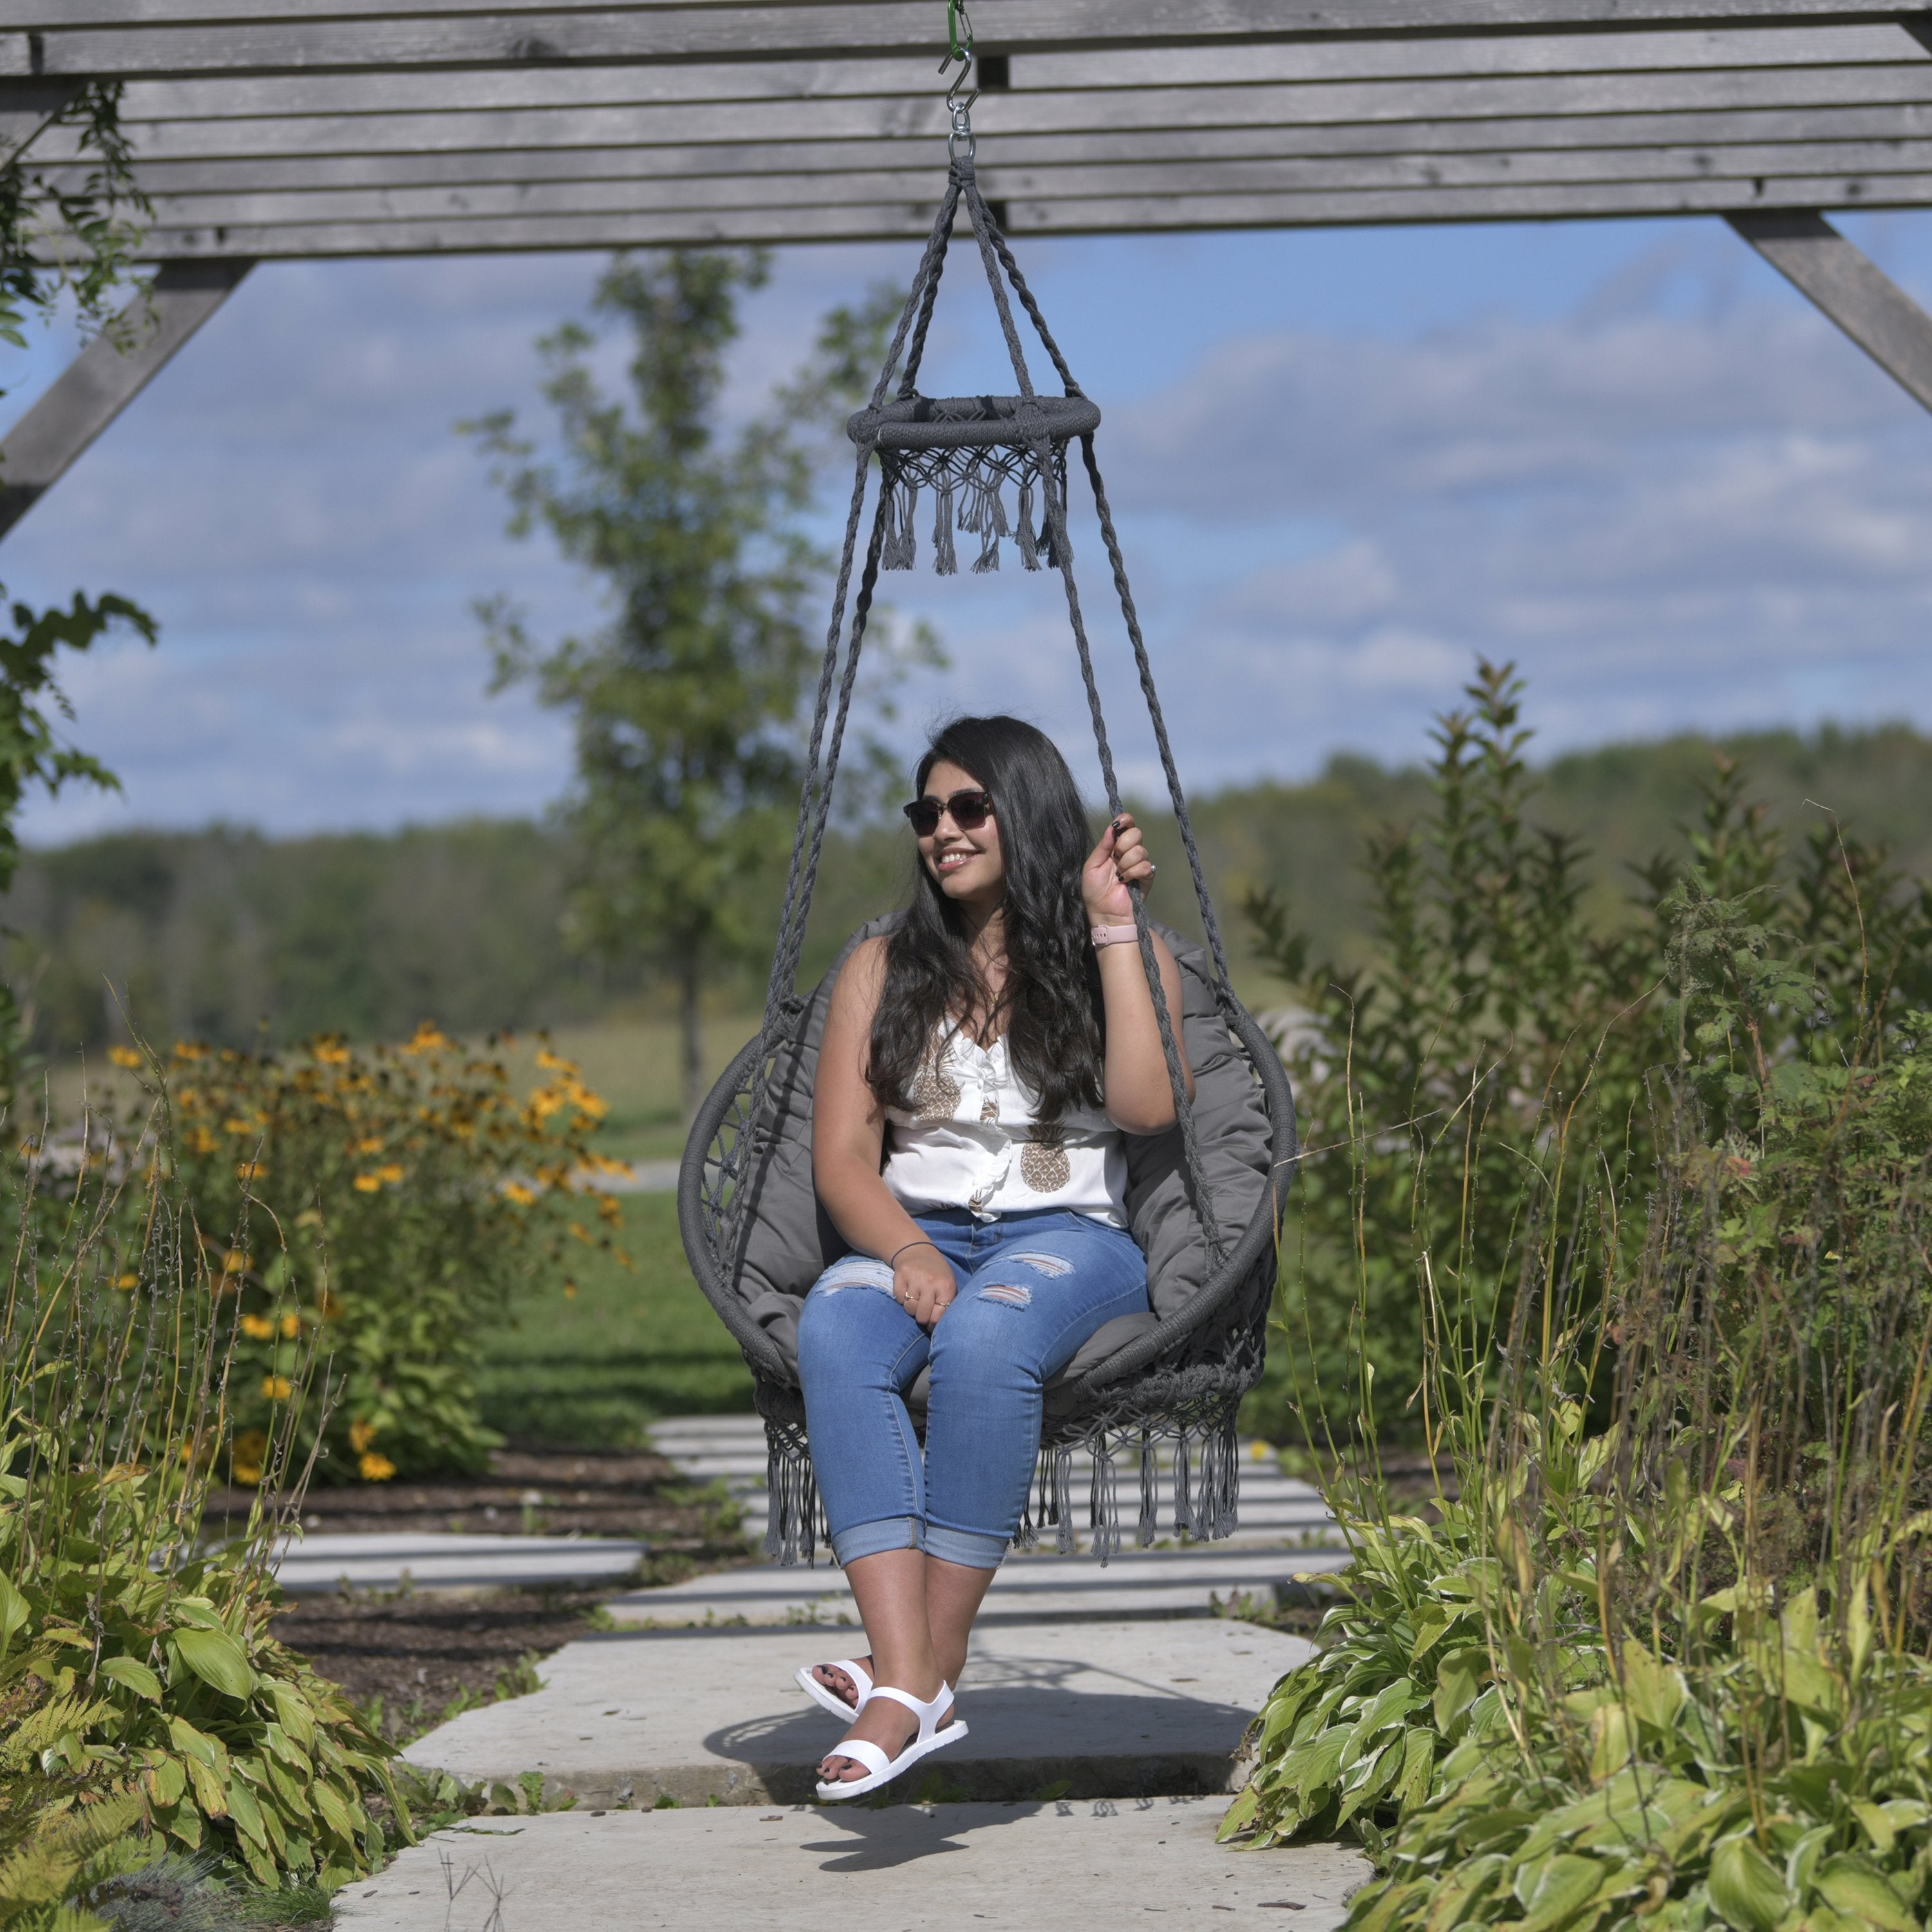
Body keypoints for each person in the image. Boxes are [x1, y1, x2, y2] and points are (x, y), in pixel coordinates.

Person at [795, 713, 1193, 1800]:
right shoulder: (881, 966)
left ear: (1025, 812)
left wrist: (1113, 925)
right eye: (928, 813)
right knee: (833, 1324)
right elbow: (842, 1161)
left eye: (969, 807)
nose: (944, 831)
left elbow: (1150, 1107)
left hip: (1071, 1241)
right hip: (914, 1228)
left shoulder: (1120, 948)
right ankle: (913, 1676)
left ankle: (916, 1677)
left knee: (981, 1335)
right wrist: (910, 1249)